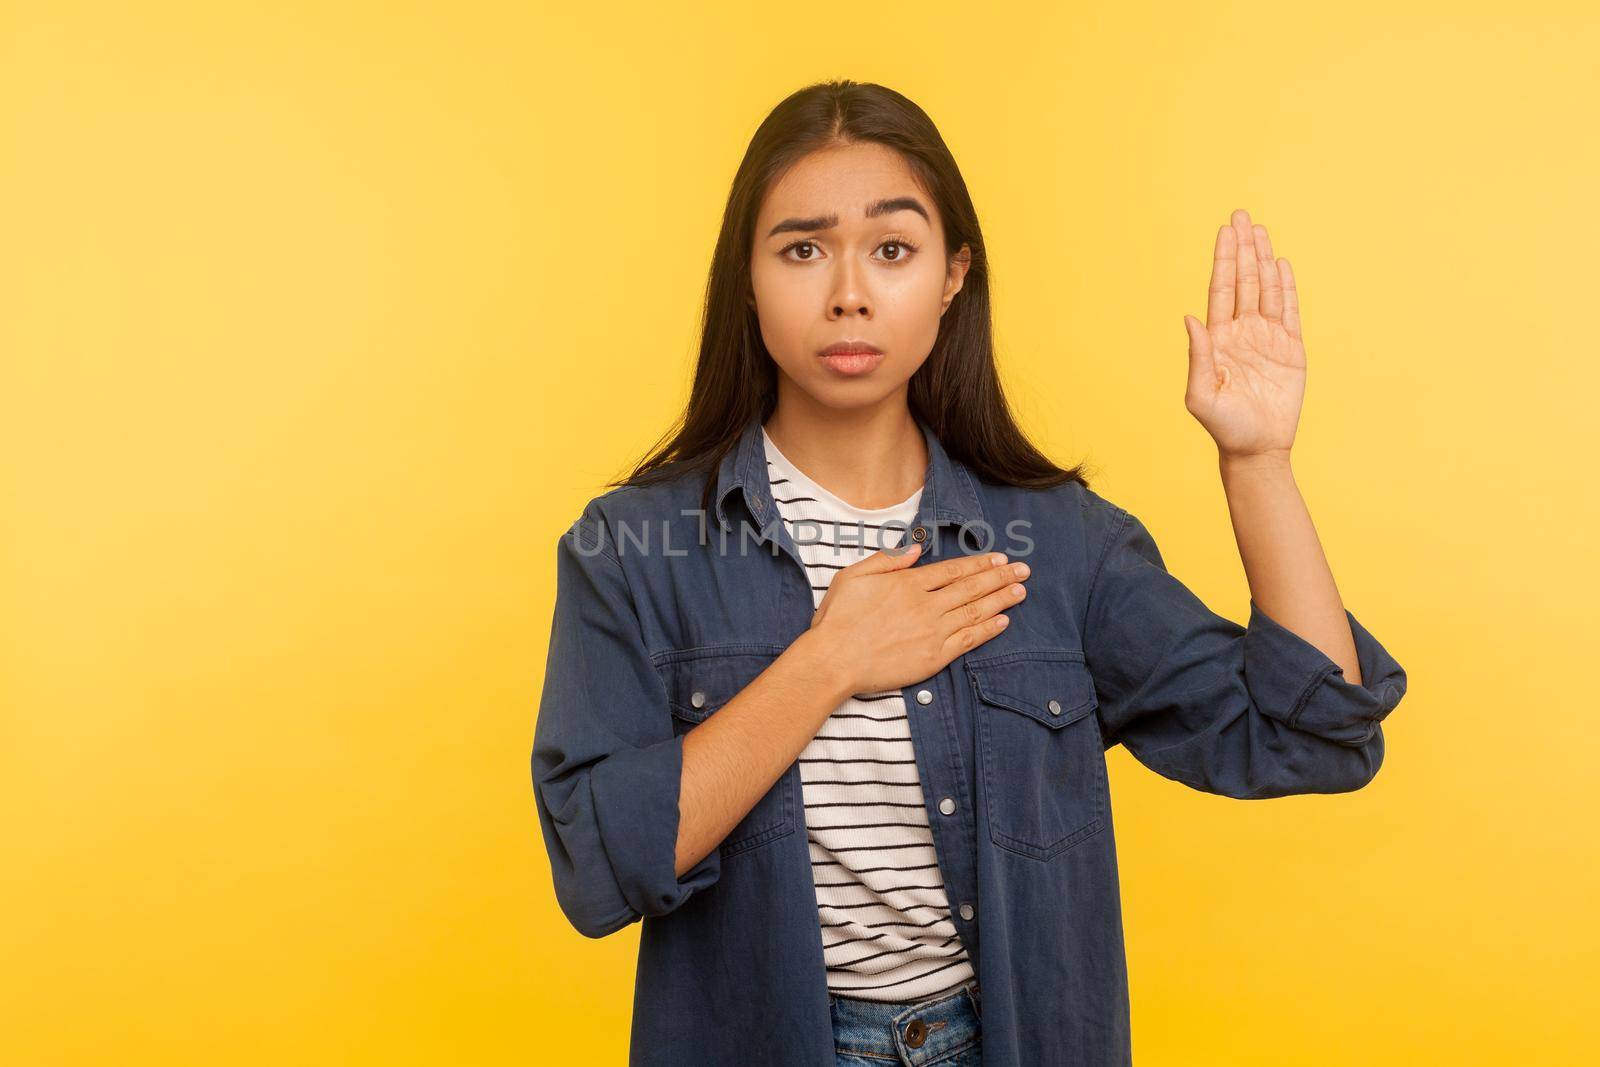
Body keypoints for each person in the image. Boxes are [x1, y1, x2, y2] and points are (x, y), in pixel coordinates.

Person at [530, 78, 1406, 1067]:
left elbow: (1314, 732)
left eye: (892, 249)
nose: (848, 290)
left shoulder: (1059, 542)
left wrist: (1257, 465)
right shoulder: (632, 546)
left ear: (953, 274)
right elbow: (600, 862)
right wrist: (829, 661)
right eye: (802, 248)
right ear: (747, 276)